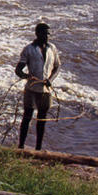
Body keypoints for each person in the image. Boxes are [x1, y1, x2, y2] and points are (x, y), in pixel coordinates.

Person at [15, 22, 61, 150]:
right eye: (44, 33)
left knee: (42, 119)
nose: (47, 36)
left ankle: (38, 149)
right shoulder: (28, 49)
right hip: (31, 89)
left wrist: (50, 79)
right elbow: (18, 70)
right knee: (27, 117)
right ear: (37, 34)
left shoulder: (52, 48)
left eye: (48, 34)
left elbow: (57, 67)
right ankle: (21, 147)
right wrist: (27, 77)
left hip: (45, 90)